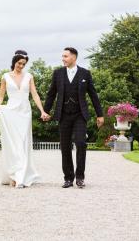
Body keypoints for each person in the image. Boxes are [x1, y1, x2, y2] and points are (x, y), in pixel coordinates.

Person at [43, 47, 104, 188]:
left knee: (81, 143)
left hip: (80, 115)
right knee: (64, 147)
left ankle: (80, 177)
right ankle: (68, 178)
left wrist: (100, 114)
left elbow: (93, 95)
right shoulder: (57, 73)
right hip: (63, 114)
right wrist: (45, 111)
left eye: (65, 56)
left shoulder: (85, 74)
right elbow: (51, 94)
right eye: (62, 56)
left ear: (74, 57)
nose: (63, 59)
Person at [0, 50, 49, 188]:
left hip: (25, 112)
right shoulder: (5, 77)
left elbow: (35, 95)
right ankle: (14, 175)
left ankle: (21, 175)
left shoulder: (29, 76)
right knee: (13, 144)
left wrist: (42, 111)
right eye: (19, 63)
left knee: (23, 143)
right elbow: (1, 95)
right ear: (14, 62)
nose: (21, 66)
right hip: (11, 112)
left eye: (24, 64)